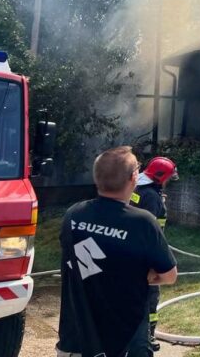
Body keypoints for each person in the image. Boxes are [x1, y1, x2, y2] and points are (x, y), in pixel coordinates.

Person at [57, 147, 178, 357]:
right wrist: (144, 275)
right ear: (133, 177)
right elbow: (169, 276)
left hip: (75, 341)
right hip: (124, 343)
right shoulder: (143, 222)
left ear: (96, 178)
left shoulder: (73, 214)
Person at [129, 156, 179, 352]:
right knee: (151, 296)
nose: (168, 182)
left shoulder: (140, 189)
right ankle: (147, 336)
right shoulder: (151, 196)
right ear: (160, 177)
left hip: (134, 251)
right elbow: (149, 229)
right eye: (167, 178)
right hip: (147, 254)